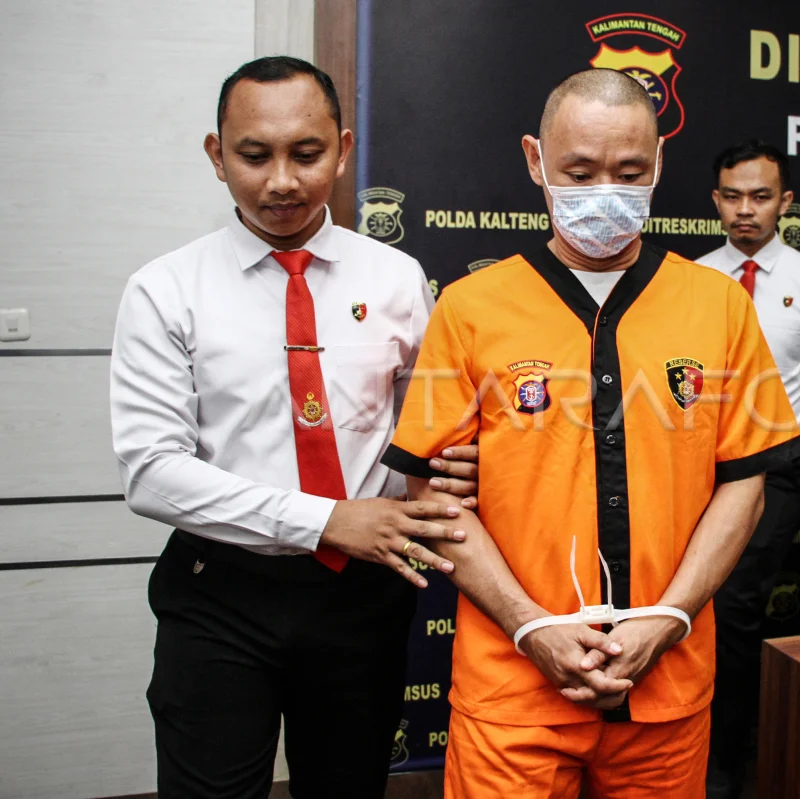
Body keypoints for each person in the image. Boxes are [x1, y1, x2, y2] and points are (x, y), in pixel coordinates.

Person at [380, 69, 800, 798]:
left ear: (660, 163)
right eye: (579, 173)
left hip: (665, 690)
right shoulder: (471, 308)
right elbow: (433, 492)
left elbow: (745, 484)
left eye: (629, 172)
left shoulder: (720, 305)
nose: (604, 191)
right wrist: (530, 627)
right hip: (512, 693)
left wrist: (668, 618)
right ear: (535, 159)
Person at [110, 56, 479, 798]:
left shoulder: (398, 278)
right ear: (217, 155)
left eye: (306, 154)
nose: (282, 180)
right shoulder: (165, 289)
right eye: (255, 155)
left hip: (363, 596)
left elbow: (422, 430)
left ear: (342, 150)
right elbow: (151, 472)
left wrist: (451, 465)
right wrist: (327, 520)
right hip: (221, 593)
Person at [694, 140, 800, 797]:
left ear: (785, 202)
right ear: (715, 200)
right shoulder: (692, 278)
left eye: (760, 196)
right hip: (695, 462)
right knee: (689, 606)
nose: (745, 210)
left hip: (779, 464)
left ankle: (725, 768)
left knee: (735, 610)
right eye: (732, 196)